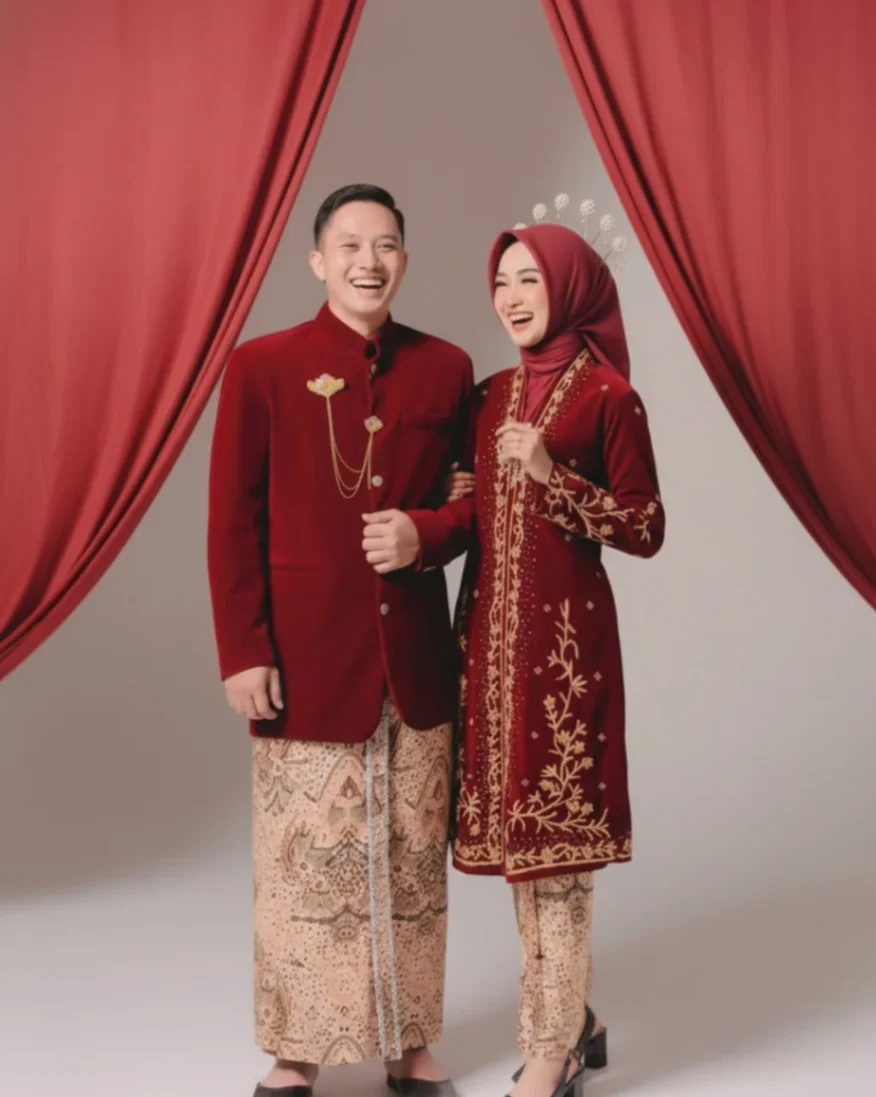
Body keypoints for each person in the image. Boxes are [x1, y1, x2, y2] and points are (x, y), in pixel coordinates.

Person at [207, 183, 472, 1097]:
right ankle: (296, 1052)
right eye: (351, 244)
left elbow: (472, 502)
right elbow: (231, 520)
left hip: (415, 665)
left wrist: (424, 535)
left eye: (386, 244)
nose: (370, 260)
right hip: (304, 658)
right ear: (317, 260)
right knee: (305, 870)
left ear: (405, 260)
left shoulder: (446, 368)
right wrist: (243, 648)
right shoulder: (260, 366)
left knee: (412, 861)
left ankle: (411, 1044)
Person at [443, 223, 665, 1097]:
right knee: (520, 849)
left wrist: (552, 475)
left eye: (530, 278)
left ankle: (551, 1047)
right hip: (490, 650)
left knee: (556, 849)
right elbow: (470, 515)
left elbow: (645, 526)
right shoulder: (489, 396)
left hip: (565, 659)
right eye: (501, 281)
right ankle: (576, 1015)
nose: (511, 297)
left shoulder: (610, 398)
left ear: (570, 288)